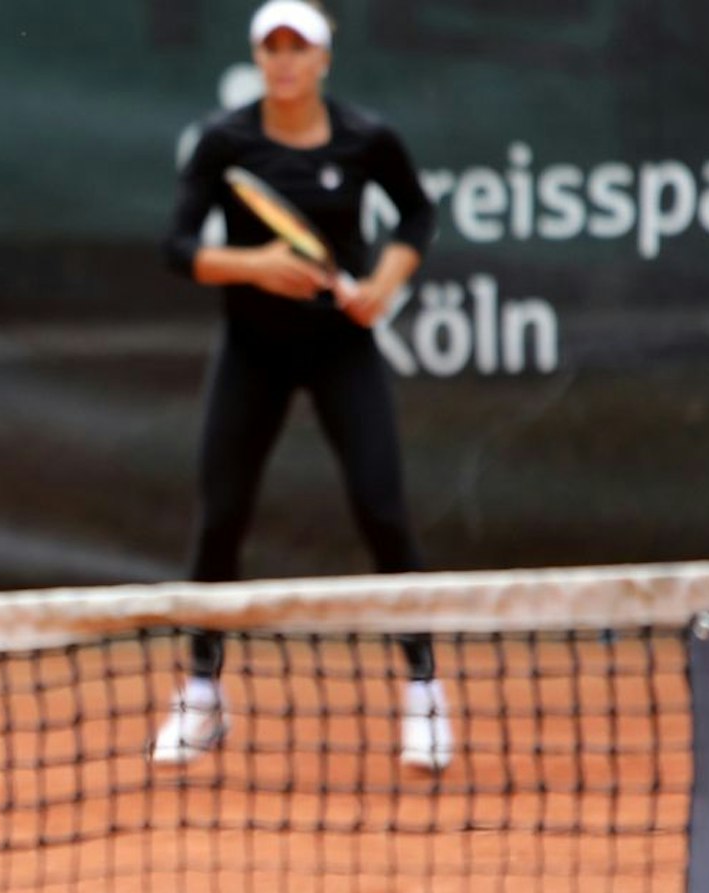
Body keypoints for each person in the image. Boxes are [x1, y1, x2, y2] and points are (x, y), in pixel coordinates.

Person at [153, 0, 453, 770]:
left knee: (383, 511)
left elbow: (416, 216)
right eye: (272, 47)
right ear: (259, 57)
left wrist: (382, 282)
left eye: (299, 47)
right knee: (221, 519)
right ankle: (201, 694)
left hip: (342, 350)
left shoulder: (367, 138)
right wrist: (254, 265)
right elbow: (177, 247)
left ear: (324, 58)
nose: (284, 60)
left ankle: (425, 692)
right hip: (251, 351)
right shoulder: (226, 142)